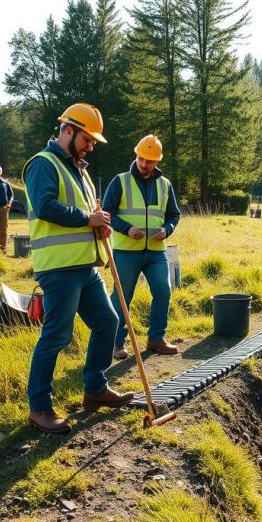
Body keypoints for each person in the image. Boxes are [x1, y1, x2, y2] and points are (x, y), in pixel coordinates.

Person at [21, 102, 133, 434]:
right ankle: (39, 407)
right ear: (68, 130)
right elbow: (45, 207)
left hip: (85, 264)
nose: (91, 146)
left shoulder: (79, 170)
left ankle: (95, 389)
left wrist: (99, 226)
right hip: (58, 268)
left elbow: (87, 215)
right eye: (87, 139)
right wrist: (88, 219)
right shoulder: (43, 164)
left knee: (108, 321)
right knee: (57, 335)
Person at [102, 134, 181, 359]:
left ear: (157, 162)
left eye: (149, 160)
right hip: (126, 251)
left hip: (156, 252)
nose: (144, 164)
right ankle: (116, 343)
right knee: (121, 297)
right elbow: (107, 214)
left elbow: (174, 214)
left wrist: (167, 229)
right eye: (140, 158)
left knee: (163, 291)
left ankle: (156, 338)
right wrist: (127, 229)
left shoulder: (165, 185)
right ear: (136, 155)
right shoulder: (120, 181)